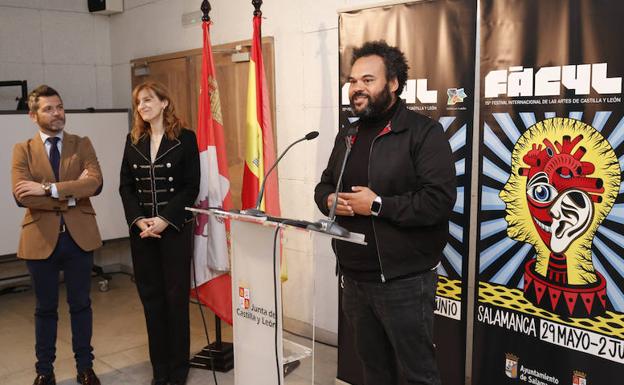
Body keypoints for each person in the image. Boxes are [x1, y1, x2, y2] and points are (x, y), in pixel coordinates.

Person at [314, 41, 456, 385]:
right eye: (352, 81)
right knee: (374, 371)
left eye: (367, 80)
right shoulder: (347, 133)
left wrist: (377, 205)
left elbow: (437, 201)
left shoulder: (423, 132)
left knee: (418, 373)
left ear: (392, 83)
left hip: (403, 280)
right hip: (353, 278)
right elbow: (324, 186)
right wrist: (330, 200)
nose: (357, 88)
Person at [12, 85, 103, 385]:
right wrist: (72, 191)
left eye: (60, 107)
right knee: (45, 308)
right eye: (49, 109)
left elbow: (95, 184)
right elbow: (23, 197)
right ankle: (44, 371)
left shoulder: (82, 144)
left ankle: (85, 368)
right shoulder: (22, 149)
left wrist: (47, 188)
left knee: (81, 305)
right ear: (32, 115)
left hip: (79, 238)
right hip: (40, 239)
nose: (57, 113)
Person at [119, 81, 200, 385]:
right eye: (139, 103)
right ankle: (160, 371)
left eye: (149, 100)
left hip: (174, 230)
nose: (143, 106)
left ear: (165, 102)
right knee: (151, 301)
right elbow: (125, 186)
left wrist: (165, 219)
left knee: (176, 301)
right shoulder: (133, 140)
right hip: (143, 234)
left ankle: (178, 372)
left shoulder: (185, 139)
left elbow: (191, 186)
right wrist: (139, 220)